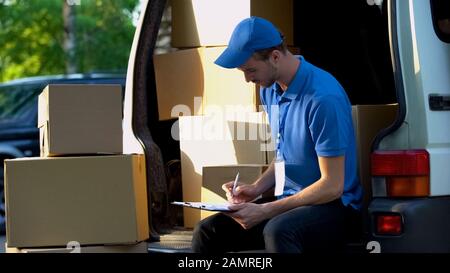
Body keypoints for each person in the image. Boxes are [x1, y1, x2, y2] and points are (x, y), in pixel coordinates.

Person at [191, 16, 363, 253]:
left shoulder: (323, 99)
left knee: (278, 230)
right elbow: (284, 156)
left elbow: (332, 185)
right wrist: (256, 189)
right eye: (243, 71)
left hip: (335, 207)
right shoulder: (269, 91)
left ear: (274, 57)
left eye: (250, 69)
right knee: (207, 232)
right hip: (290, 203)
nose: (247, 79)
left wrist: (264, 210)